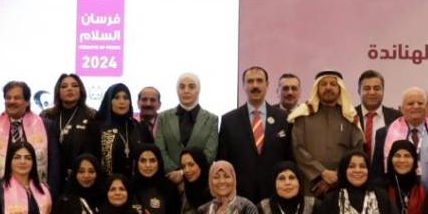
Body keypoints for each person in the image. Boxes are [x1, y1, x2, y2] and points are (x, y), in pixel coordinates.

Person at [217, 66, 292, 202]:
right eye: (250, 81)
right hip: (240, 195)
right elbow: (223, 160)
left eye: (259, 81)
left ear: (267, 85)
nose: (255, 85)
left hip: (275, 193)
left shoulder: (283, 118)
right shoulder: (229, 120)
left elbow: (289, 157)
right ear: (243, 85)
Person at [290, 71, 365, 197]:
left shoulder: (349, 116)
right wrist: (321, 173)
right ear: (317, 88)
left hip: (341, 183)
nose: (328, 87)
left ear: (340, 89)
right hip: (310, 184)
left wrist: (337, 175)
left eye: (333, 84)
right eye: (323, 84)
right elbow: (297, 148)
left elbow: (357, 149)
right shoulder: (304, 115)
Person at [0, 81, 60, 196]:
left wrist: (50, 194)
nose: (11, 101)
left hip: (39, 195)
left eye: (17, 98)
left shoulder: (46, 126)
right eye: (8, 98)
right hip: (3, 195)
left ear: (27, 102)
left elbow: (55, 165)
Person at [374, 87, 428, 191]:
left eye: (420, 103)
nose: (416, 106)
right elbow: (378, 173)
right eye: (410, 104)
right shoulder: (384, 134)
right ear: (401, 109)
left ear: (426, 107)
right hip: (398, 196)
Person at [156, 73, 219, 186]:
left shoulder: (212, 119)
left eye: (191, 87)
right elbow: (160, 150)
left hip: (200, 184)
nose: (186, 91)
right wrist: (175, 172)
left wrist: (183, 173)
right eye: (182, 87)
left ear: (198, 90)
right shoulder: (163, 117)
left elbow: (209, 154)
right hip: (169, 182)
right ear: (177, 90)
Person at [42, 73, 96, 184]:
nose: (70, 89)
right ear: (58, 91)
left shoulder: (92, 115)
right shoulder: (46, 116)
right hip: (52, 175)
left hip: (82, 177)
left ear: (81, 90)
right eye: (64, 86)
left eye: (74, 85)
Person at [130, 144, 182, 214]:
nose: (148, 165)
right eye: (143, 161)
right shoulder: (128, 188)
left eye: (152, 160)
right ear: (136, 163)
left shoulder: (169, 188)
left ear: (159, 162)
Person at [91, 83, 142, 178]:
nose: (122, 102)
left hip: (134, 184)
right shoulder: (96, 127)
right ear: (109, 101)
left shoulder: (137, 127)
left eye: (125, 98)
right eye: (117, 97)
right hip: (106, 183)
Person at [355, 69, 400, 161]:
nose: (372, 92)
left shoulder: (397, 117)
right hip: (355, 169)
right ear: (359, 91)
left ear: (383, 91)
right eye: (367, 88)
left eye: (376, 88)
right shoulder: (349, 115)